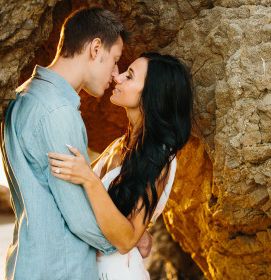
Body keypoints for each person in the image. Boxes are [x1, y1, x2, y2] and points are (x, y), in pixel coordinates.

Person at [0, 7, 151, 279]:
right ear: (95, 49)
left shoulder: (24, 95)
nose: (115, 73)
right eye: (115, 60)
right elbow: (79, 216)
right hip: (61, 269)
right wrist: (125, 241)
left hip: (28, 261)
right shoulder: (58, 112)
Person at [47, 52, 193, 279]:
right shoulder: (119, 145)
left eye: (129, 76)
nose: (118, 77)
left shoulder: (160, 159)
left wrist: (89, 179)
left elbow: (126, 241)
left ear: (149, 95)